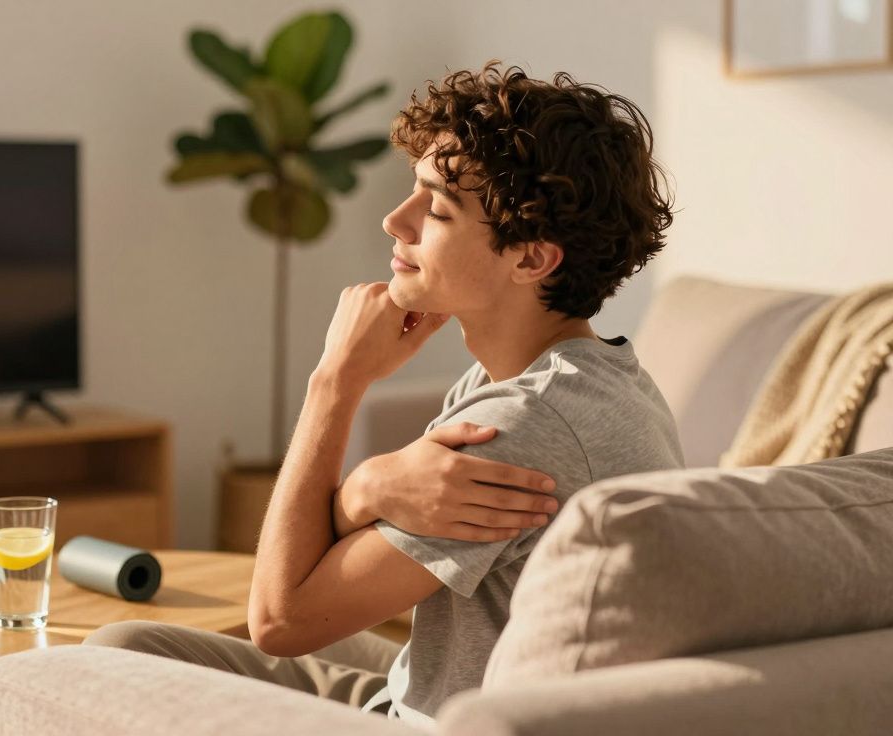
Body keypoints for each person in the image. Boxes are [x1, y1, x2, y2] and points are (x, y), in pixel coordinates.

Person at [83, 60, 686, 726]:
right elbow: (341, 547)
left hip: (428, 721)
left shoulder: (522, 425)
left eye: (438, 208)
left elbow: (281, 621)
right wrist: (368, 486)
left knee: (106, 669)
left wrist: (334, 383)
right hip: (413, 682)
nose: (395, 222)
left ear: (531, 258)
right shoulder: (585, 375)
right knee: (127, 645)